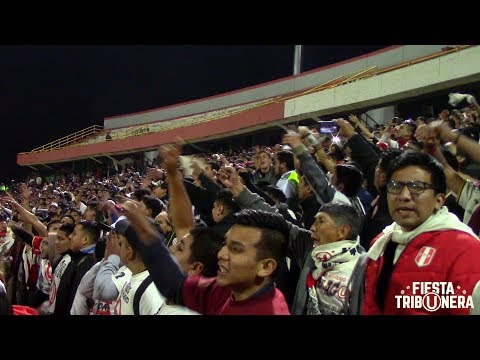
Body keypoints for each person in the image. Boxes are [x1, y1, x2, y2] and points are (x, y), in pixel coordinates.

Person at [122, 144, 290, 315]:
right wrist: (145, 233)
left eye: (236, 249)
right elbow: (175, 286)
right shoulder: (227, 290)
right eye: (227, 244)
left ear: (266, 266)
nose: (222, 254)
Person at [362, 151, 480, 315]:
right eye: (395, 186)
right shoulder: (382, 241)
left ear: (438, 200)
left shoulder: (464, 249)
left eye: (417, 187)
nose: (403, 196)